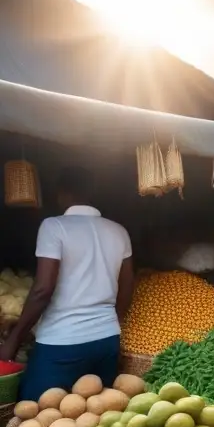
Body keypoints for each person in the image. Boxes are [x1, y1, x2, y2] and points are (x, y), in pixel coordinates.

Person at [0, 167, 134, 400]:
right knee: (93, 413)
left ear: (61, 193)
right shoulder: (119, 231)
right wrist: (109, 322)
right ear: (92, 193)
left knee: (35, 412)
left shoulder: (54, 226)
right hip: (106, 341)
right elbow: (127, 288)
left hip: (62, 342)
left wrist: (13, 340)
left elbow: (43, 289)